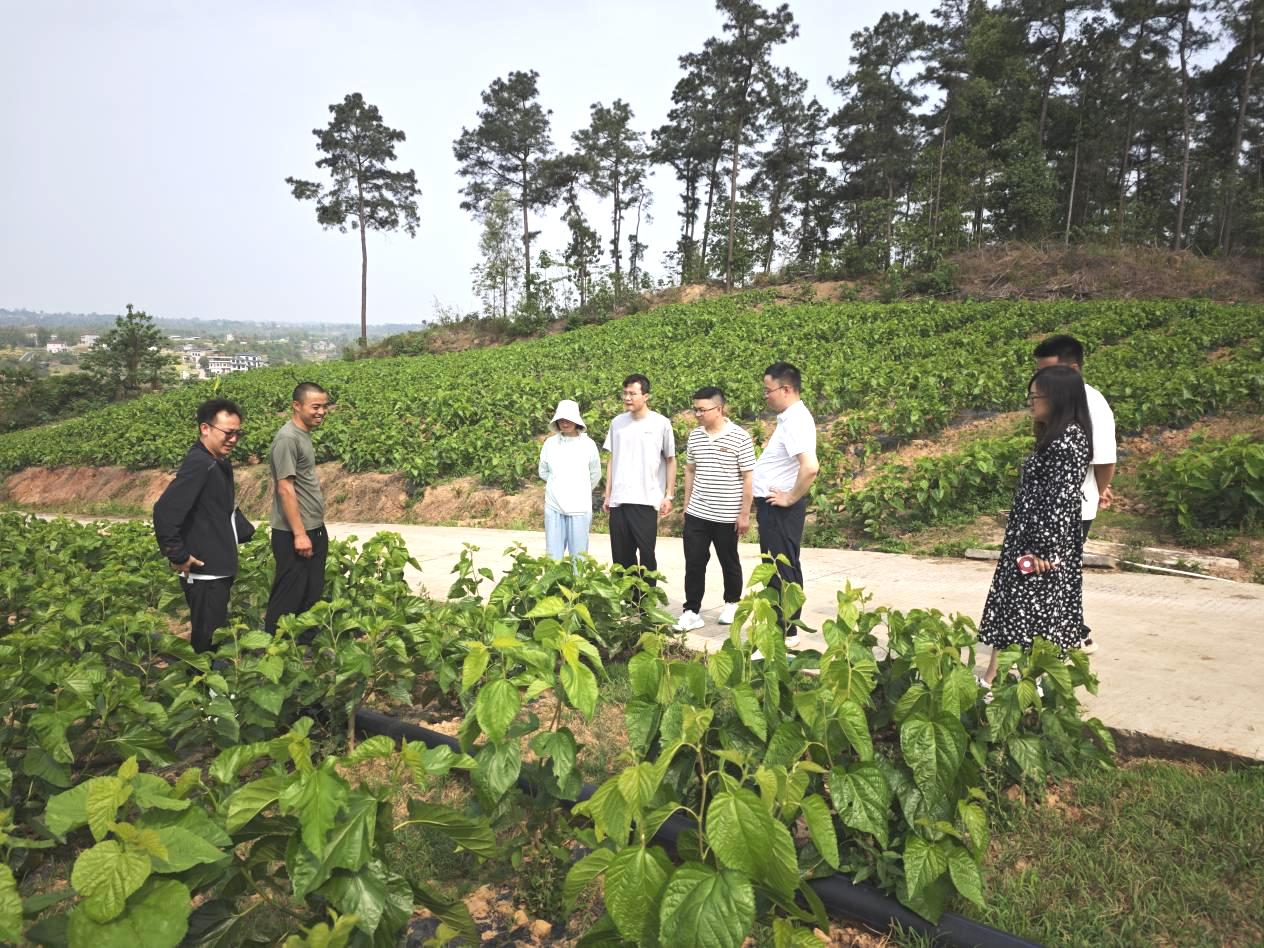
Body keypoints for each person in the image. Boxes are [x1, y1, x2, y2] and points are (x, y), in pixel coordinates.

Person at [978, 364, 1093, 684]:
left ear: (1057, 398)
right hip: (1031, 539)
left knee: (1026, 611)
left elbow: (1058, 500)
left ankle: (1009, 681)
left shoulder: (1067, 441)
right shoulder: (1059, 437)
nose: (1031, 402)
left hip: (1040, 545)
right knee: (1018, 609)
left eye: (1035, 396)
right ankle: (999, 678)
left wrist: (1043, 551)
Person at [1033, 335, 1116, 655]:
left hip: (1071, 508)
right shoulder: (1056, 401)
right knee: (1056, 572)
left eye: (1048, 372)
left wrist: (1098, 490)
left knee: (1054, 573)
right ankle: (1072, 634)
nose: (1041, 380)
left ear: (1074, 370)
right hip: (1053, 505)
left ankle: (1070, 638)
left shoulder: (1092, 403)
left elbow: (1105, 461)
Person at [153, 398, 255, 653]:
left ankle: (207, 673)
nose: (233, 439)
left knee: (211, 631)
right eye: (228, 433)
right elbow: (164, 511)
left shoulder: (217, 461)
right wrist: (178, 555)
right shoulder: (201, 463)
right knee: (206, 637)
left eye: (238, 433)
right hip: (205, 570)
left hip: (217, 565)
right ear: (205, 429)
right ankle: (202, 676)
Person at [675, 386, 756, 632]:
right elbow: (690, 470)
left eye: (702, 410)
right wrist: (687, 505)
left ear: (719, 408)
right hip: (697, 513)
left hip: (726, 515)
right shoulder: (695, 436)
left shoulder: (740, 437)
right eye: (695, 409)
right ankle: (691, 611)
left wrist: (744, 514)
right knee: (694, 562)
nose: (697, 414)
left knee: (729, 561)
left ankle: (731, 603)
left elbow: (748, 477)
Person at [750, 362, 819, 644]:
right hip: (773, 507)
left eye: (768, 390)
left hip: (781, 508)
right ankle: (781, 630)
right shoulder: (789, 419)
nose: (765, 396)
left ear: (786, 389)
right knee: (775, 567)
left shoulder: (796, 420)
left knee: (782, 568)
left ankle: (785, 632)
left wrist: (790, 497)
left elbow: (810, 467)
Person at [264, 381, 330, 634]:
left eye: (324, 406)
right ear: (296, 405)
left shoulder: (302, 435)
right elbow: (285, 488)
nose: (321, 412)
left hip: (312, 527)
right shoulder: (287, 439)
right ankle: (272, 644)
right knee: (289, 594)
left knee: (310, 592)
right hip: (294, 532)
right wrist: (300, 534)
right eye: (315, 406)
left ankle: (304, 645)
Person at [602, 374, 677, 592]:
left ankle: (645, 601)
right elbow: (612, 459)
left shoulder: (661, 423)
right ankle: (627, 599)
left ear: (646, 396)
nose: (627, 398)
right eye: (625, 393)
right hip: (619, 500)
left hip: (646, 499)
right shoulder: (617, 423)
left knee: (646, 555)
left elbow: (670, 460)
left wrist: (669, 495)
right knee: (621, 556)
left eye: (632, 393)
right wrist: (608, 494)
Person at [539, 399, 602, 559]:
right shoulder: (550, 444)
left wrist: (579, 489)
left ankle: (578, 578)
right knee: (553, 557)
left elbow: (595, 474)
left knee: (579, 557)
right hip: (554, 506)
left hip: (579, 507)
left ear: (576, 420)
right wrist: (558, 485)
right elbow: (543, 471)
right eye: (561, 420)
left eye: (569, 419)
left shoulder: (588, 445)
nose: (565, 423)